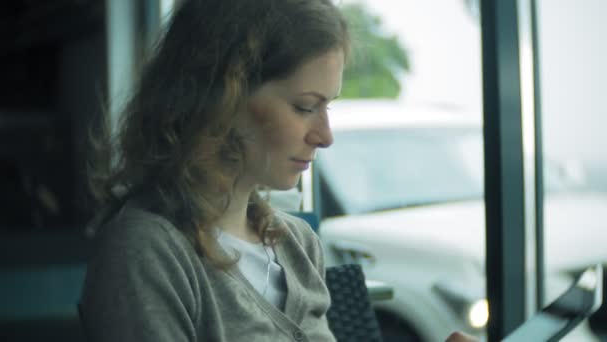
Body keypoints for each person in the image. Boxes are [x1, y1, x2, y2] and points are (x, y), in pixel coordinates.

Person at [80, 0, 479, 341]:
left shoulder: (298, 245)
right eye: (305, 107)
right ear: (222, 98)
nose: (325, 136)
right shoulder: (147, 255)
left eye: (329, 107)